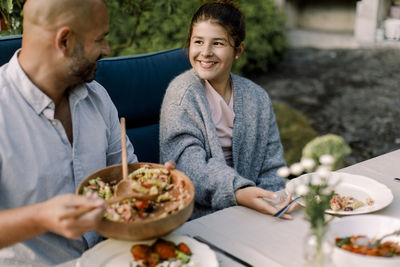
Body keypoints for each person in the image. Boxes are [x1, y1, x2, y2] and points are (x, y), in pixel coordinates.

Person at [0, 0, 138, 265]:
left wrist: (155, 182)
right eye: (100, 40)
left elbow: (125, 174)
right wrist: (39, 218)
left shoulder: (97, 97)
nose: (107, 50)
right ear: (65, 41)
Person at [160, 0, 297, 220]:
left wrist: (273, 200)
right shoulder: (181, 94)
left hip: (255, 208)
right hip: (200, 216)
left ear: (238, 50)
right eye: (198, 41)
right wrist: (238, 192)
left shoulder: (257, 98)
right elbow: (189, 165)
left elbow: (273, 166)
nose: (205, 52)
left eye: (218, 43)